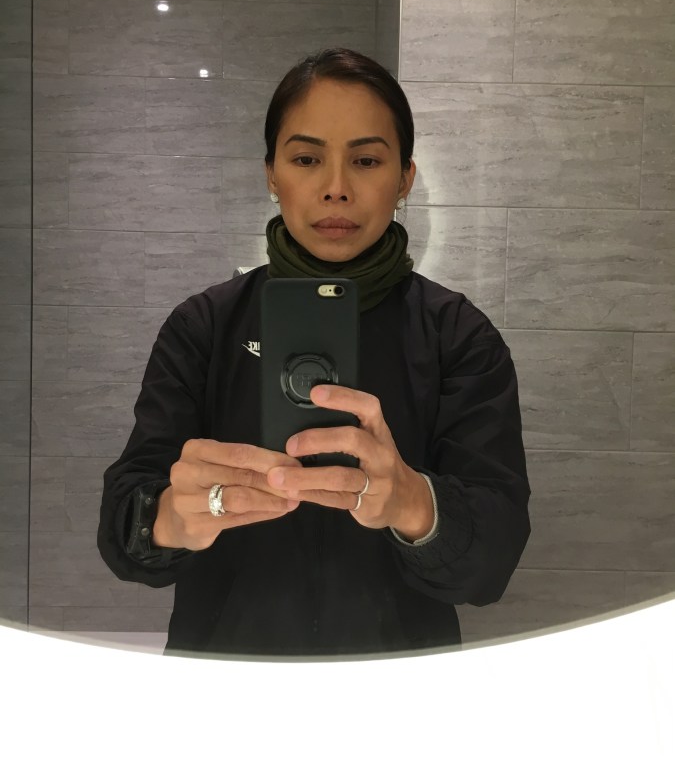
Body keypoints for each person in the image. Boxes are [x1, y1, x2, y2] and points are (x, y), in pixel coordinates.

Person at [97, 47, 530, 657]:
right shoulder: (204, 327)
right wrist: (169, 516)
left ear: (404, 178)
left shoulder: (458, 335)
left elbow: (494, 560)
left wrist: (415, 504)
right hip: (227, 677)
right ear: (272, 175)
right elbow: (122, 532)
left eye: (366, 160)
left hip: (397, 684)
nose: (336, 189)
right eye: (306, 159)